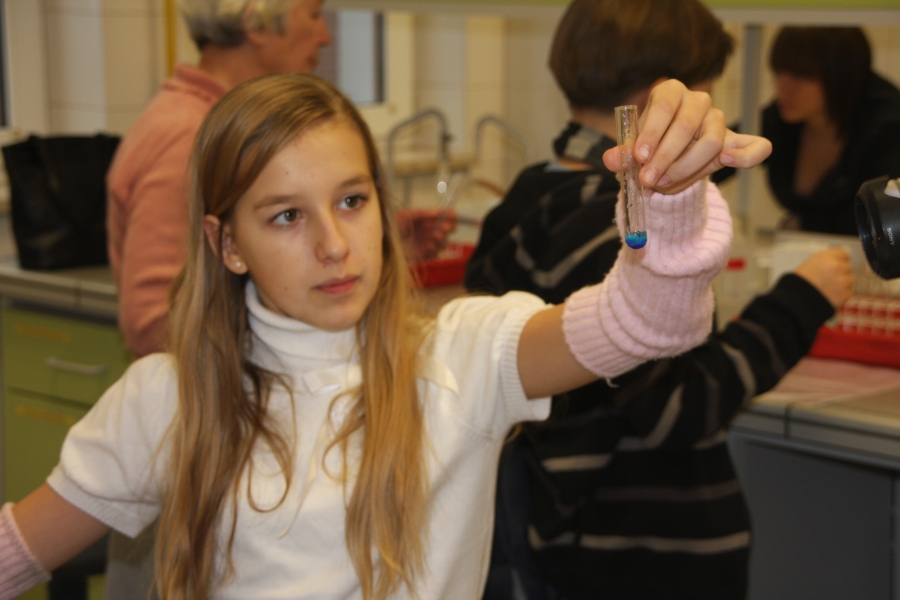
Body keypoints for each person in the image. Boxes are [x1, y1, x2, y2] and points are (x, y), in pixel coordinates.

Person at [0, 72, 770, 599]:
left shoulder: (462, 357)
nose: (334, 245)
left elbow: (647, 323)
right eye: (286, 216)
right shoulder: (168, 400)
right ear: (227, 243)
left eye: (352, 201)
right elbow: (16, 553)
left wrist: (670, 205)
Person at [465, 2, 853, 599]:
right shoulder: (616, 223)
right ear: (666, 101)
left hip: (565, 541)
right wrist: (800, 301)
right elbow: (682, 405)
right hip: (637, 556)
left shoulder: (531, 195)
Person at [107, 0, 455, 359]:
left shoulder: (204, 120)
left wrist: (385, 242)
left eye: (351, 201)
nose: (325, 36)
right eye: (314, 15)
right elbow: (152, 324)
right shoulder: (187, 135)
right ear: (256, 25)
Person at [746, 26, 900, 235]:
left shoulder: (887, 124)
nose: (782, 88)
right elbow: (725, 147)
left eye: (800, 75)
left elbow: (886, 217)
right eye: (779, 72)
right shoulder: (784, 115)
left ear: (839, 76)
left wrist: (804, 225)